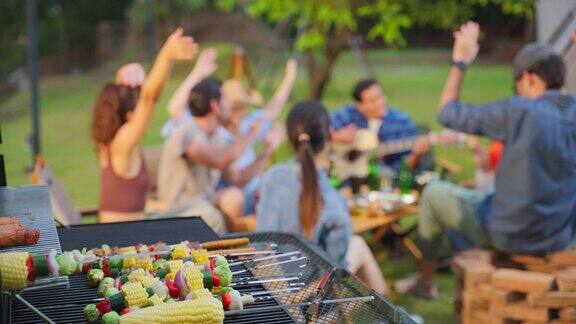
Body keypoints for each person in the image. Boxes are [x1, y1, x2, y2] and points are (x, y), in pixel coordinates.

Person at [396, 21, 576, 299]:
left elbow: (447, 112)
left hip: (508, 233)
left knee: (433, 194)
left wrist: (460, 61)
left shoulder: (518, 110)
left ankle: (426, 281)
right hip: (560, 235)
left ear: (527, 79)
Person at [256, 101, 389, 297]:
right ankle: (391, 314)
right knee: (358, 248)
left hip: (272, 291)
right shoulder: (333, 203)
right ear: (329, 136)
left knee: (358, 244)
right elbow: (336, 277)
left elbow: (261, 244)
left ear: (290, 138)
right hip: (310, 304)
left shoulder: (272, 177)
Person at [162, 56, 298, 215]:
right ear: (215, 105)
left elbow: (272, 110)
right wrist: (197, 73)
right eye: (233, 105)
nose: (241, 111)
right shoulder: (192, 129)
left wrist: (289, 78)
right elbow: (222, 164)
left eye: (242, 107)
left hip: (210, 199)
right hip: (184, 207)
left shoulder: (226, 132)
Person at [91, 28, 197, 223]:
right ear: (129, 113)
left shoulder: (112, 140)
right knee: (207, 213)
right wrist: (166, 56)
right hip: (124, 240)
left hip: (135, 227)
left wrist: (134, 71)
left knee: (200, 208)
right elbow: (149, 99)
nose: (144, 115)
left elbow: (130, 93)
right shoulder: (123, 142)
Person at [157, 78, 282, 234]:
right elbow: (216, 160)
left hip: (205, 200)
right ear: (215, 106)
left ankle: (233, 245)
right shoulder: (188, 131)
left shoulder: (219, 137)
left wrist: (266, 152)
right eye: (226, 100)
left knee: (236, 196)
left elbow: (237, 179)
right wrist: (251, 135)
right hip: (180, 207)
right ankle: (227, 247)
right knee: (229, 202)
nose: (230, 106)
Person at [330, 79, 431, 176]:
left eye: (381, 96)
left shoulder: (402, 122)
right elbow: (318, 129)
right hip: (344, 174)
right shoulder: (348, 115)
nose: (380, 103)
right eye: (373, 100)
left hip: (384, 178)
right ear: (360, 105)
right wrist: (335, 136)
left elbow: (403, 169)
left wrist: (416, 154)